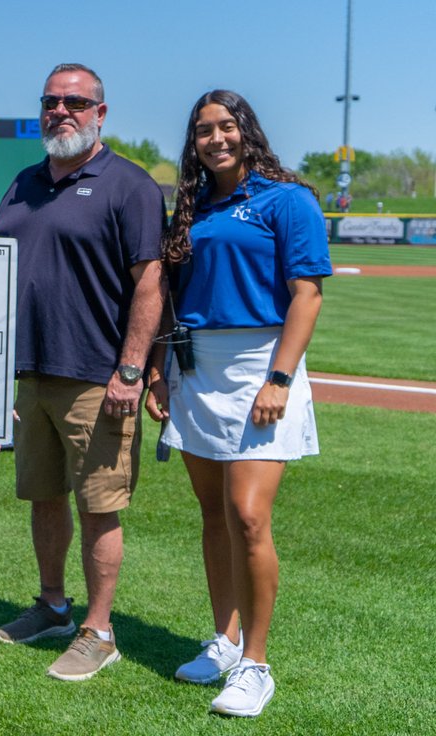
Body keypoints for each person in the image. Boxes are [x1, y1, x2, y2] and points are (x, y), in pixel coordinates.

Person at [146, 90, 329, 717]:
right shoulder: (191, 207)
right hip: (196, 366)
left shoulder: (289, 199)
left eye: (226, 127)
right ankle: (223, 642)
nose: (216, 138)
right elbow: (173, 297)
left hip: (262, 366)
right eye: (204, 131)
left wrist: (280, 378)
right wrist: (160, 372)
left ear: (247, 131)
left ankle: (257, 663)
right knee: (213, 515)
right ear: (193, 141)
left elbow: (307, 294)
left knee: (248, 517)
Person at [0, 63, 165, 681]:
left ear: (100, 113)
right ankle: (54, 606)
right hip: (31, 374)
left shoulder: (129, 185)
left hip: (96, 375)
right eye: (50, 102)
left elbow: (150, 281)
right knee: (43, 496)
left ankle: (99, 629)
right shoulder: (23, 182)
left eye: (74, 102)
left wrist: (131, 369)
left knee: (99, 506)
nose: (60, 111)